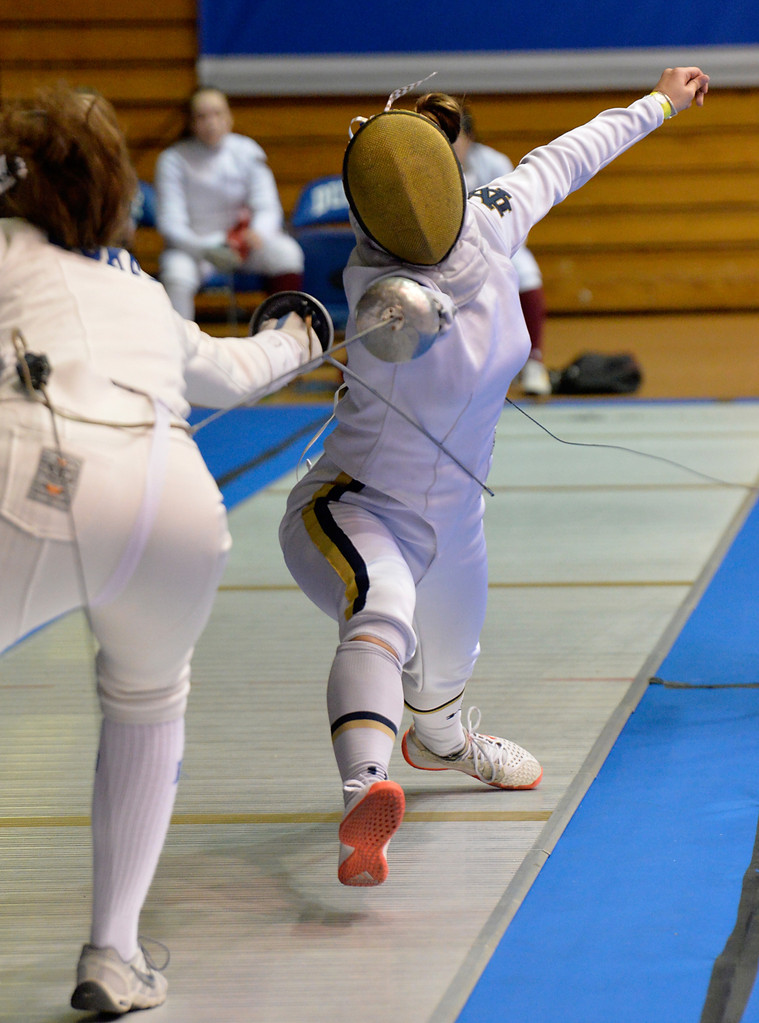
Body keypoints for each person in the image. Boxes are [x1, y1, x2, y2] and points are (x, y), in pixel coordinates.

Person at [278, 67, 709, 887]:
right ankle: (364, 796)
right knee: (382, 611)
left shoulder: (494, 217)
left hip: (457, 514)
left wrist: (660, 100)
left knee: (445, 671)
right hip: (355, 504)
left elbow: (576, 150)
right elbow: (352, 332)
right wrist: (360, 329)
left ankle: (439, 741)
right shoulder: (376, 289)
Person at [0, 83, 320, 1014]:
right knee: (146, 700)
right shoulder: (131, 286)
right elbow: (231, 370)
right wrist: (304, 330)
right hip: (177, 500)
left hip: (38, 476)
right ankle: (114, 951)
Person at [154, 86, 304, 320]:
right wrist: (204, 249)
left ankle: (282, 331)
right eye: (202, 116)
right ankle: (182, 350)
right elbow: (170, 223)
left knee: (287, 253)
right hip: (196, 248)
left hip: (242, 244)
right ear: (192, 122)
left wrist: (258, 233)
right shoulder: (173, 160)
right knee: (176, 274)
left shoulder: (246, 151)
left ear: (229, 117)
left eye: (217, 114)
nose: (211, 123)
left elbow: (267, 206)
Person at [453, 106, 551, 396]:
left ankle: (533, 361)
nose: (448, 143)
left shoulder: (494, 164)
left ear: (469, 137)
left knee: (527, 272)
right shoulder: (430, 166)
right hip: (447, 249)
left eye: (454, 135)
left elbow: (517, 215)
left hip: (496, 244)